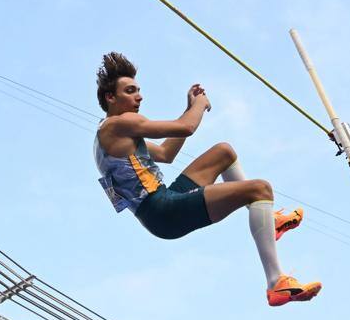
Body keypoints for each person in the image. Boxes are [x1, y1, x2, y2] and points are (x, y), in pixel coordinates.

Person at [93, 52, 321, 306]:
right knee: (260, 188)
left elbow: (167, 153)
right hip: (161, 211)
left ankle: (269, 219)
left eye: (138, 90)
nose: (140, 96)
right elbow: (186, 127)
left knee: (224, 152)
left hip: (165, 200)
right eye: (130, 90)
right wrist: (200, 104)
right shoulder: (119, 124)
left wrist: (189, 109)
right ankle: (275, 281)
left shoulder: (114, 135)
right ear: (110, 97)